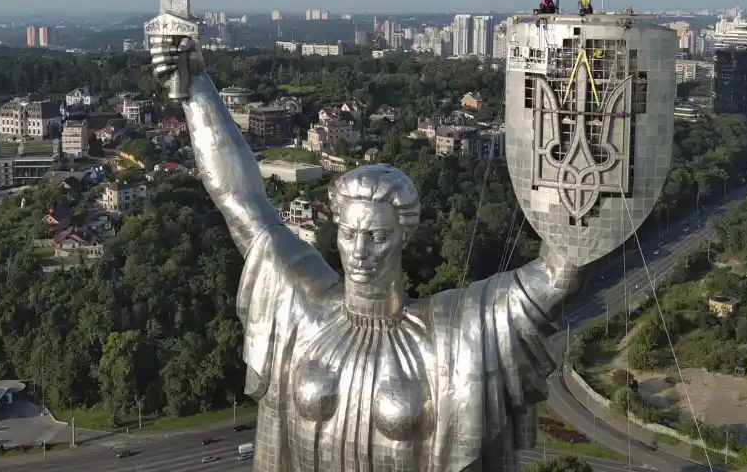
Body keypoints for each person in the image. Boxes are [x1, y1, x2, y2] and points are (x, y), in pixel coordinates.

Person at [150, 36, 565, 472]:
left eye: (377, 236)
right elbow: (239, 198)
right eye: (349, 234)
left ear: (404, 236)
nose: (360, 252)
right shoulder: (301, 309)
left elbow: (558, 275)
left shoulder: (451, 336)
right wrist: (196, 88)